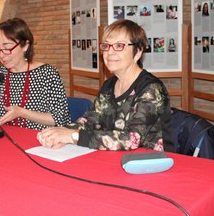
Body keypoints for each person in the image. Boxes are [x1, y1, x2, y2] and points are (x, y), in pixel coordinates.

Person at [37, 19, 172, 151]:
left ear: (137, 52)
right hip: (116, 159)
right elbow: (90, 120)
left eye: (119, 46)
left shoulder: (152, 89)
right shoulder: (109, 85)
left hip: (149, 164)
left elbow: (131, 139)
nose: (110, 52)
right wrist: (61, 132)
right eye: (106, 46)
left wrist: (72, 136)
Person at [0, 18, 70, 130]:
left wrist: (22, 113)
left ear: (25, 45)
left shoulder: (47, 74)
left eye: (7, 48)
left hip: (40, 139)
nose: (1, 55)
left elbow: (59, 118)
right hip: (7, 138)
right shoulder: (2, 73)